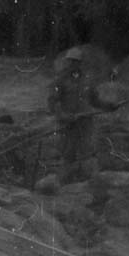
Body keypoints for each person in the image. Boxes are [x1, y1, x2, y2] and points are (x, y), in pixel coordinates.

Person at [47, 46, 101, 180]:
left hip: (85, 122)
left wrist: (109, 106)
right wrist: (63, 115)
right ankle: (65, 183)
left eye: (75, 61)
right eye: (70, 61)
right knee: (68, 154)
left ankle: (86, 181)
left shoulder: (87, 80)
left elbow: (95, 100)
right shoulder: (60, 80)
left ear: (80, 63)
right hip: (68, 124)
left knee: (87, 152)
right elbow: (52, 102)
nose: (72, 64)